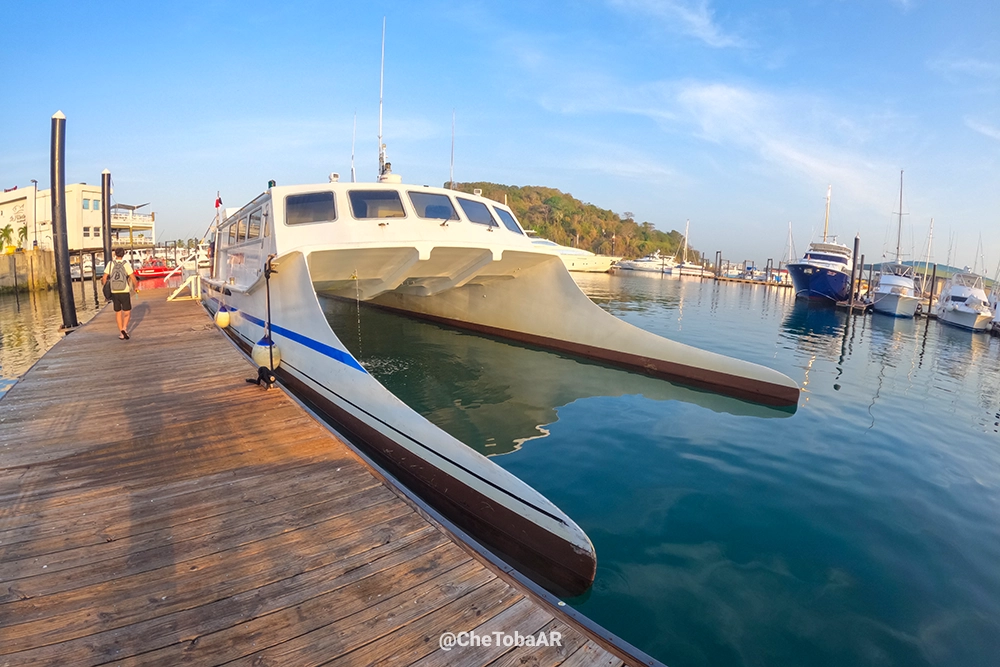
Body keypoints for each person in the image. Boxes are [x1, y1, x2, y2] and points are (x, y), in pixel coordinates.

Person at [102, 248, 139, 339]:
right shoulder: (126, 264)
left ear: (115, 254)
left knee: (118, 313)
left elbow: (104, 278)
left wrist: (105, 287)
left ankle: (121, 333)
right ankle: (124, 328)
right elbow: (133, 277)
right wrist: (136, 287)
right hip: (124, 291)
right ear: (123, 254)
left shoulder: (110, 264)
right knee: (127, 312)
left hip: (114, 292)